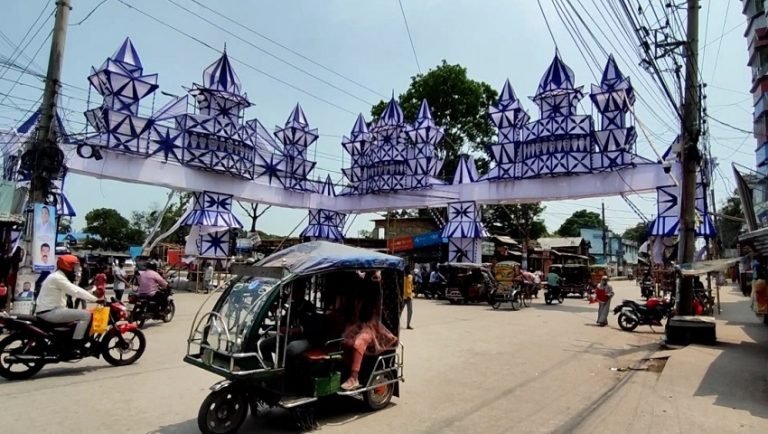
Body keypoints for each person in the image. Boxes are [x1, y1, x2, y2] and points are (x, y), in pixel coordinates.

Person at [340, 271, 398, 391]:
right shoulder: (357, 297)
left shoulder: (376, 295)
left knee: (359, 342)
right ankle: (345, 370)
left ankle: (354, 377)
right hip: (358, 324)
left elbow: (373, 319)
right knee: (344, 339)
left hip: (372, 327)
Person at [35, 255, 100, 354]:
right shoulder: (58, 278)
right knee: (86, 315)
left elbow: (74, 290)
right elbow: (75, 291)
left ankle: (67, 341)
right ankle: (76, 344)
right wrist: (96, 299)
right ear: (67, 266)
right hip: (50, 312)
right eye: (74, 266)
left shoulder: (58, 276)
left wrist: (91, 294)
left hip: (51, 310)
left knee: (77, 315)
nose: (76, 270)